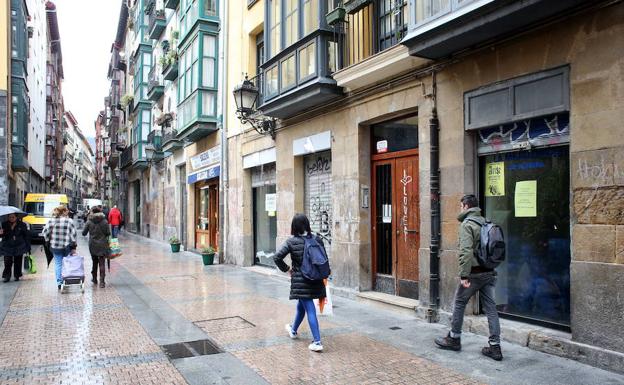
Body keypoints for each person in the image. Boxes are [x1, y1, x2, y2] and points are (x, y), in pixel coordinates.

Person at [435, 194, 503, 361]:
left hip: (474, 273)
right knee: (491, 309)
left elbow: (465, 252)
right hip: (489, 272)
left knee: (459, 302)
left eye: (460, 206)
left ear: (465, 206)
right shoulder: (486, 222)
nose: (460, 209)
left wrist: (464, 275)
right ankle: (495, 347)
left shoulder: (467, 224)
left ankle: (454, 338)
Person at [274, 213, 327, 352]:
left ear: (294, 227)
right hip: (315, 279)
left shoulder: (292, 242)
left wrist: (287, 269)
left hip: (301, 280)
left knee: (309, 309)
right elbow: (324, 259)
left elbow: (277, 257)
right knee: (301, 305)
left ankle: (317, 341)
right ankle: (293, 330)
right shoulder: (317, 239)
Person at [42, 206, 77, 290]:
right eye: (67, 210)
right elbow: (73, 235)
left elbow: (45, 233)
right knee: (66, 263)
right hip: (66, 246)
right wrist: (74, 246)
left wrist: (48, 240)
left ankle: (59, 282)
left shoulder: (51, 221)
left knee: (58, 263)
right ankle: (66, 280)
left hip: (55, 246)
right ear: (64, 211)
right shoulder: (69, 221)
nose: (68, 212)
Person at [82, 206, 111, 288]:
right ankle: (102, 282)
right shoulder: (104, 221)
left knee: (94, 262)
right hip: (103, 244)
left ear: (92, 212)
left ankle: (94, 278)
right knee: (102, 262)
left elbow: (84, 233)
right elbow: (108, 233)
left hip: (93, 244)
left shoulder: (89, 221)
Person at [0, 214, 31, 282]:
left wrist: (28, 247)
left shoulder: (22, 224)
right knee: (7, 261)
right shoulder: (4, 224)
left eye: (13, 217)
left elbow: (26, 236)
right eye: (10, 217)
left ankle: (17, 275)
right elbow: (2, 235)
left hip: (19, 245)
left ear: (16, 217)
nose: (11, 218)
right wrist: (1, 233)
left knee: (18, 261)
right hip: (7, 246)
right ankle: (7, 276)